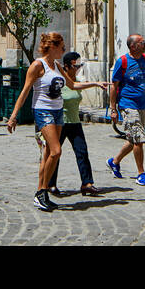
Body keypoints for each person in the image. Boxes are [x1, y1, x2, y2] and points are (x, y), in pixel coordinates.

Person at [8, 33, 106, 211]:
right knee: (56, 151)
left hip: (58, 112)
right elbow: (24, 92)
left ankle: (41, 192)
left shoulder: (57, 66)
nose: (64, 50)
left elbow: (72, 85)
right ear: (52, 46)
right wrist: (13, 116)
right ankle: (42, 192)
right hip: (43, 111)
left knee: (47, 154)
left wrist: (96, 83)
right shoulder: (38, 65)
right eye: (62, 46)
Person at [47, 51, 107, 197]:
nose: (78, 68)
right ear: (66, 66)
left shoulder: (77, 80)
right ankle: (50, 184)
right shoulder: (60, 81)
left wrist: (96, 84)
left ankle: (87, 184)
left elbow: (78, 85)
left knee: (82, 152)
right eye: (76, 66)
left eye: (80, 65)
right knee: (55, 154)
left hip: (74, 122)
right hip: (60, 123)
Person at [106, 33, 145, 186]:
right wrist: (113, 109)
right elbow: (114, 87)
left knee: (132, 140)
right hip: (128, 104)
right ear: (133, 46)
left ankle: (114, 161)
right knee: (138, 140)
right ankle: (141, 173)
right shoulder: (122, 62)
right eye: (141, 42)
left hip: (143, 104)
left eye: (144, 41)